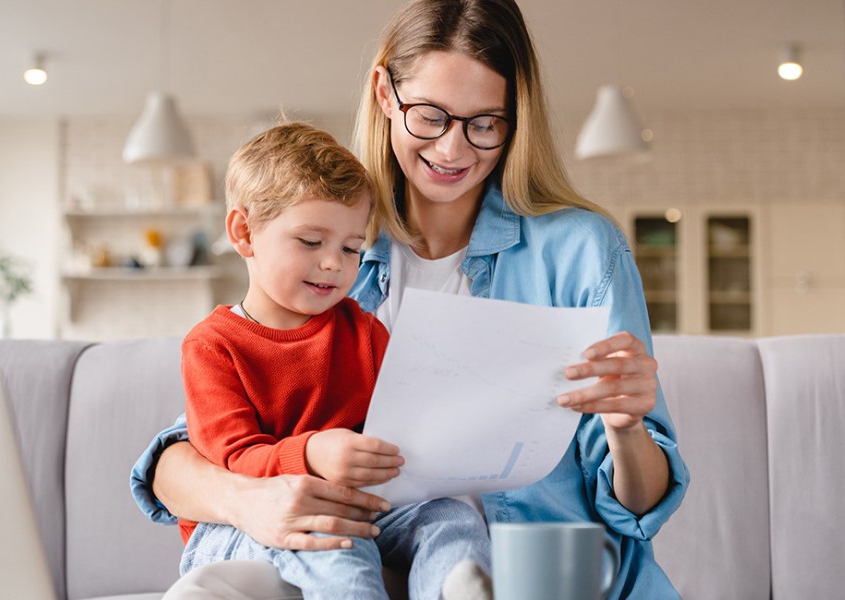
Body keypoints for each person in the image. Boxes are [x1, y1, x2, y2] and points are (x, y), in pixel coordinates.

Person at [130, 0, 690, 597]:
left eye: (484, 124)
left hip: (544, 577)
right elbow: (182, 460)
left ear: (514, 121)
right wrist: (254, 502)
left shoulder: (579, 250)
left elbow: (639, 506)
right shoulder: (337, 253)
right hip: (374, 563)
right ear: (383, 93)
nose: (453, 151)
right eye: (429, 115)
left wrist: (626, 427)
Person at [173, 121, 492, 600]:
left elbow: (405, 423)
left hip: (358, 506)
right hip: (239, 526)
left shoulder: (365, 331)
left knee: (452, 517)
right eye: (310, 242)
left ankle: (454, 586)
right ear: (244, 233)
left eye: (351, 248)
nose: (334, 264)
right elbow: (233, 460)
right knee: (337, 541)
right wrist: (312, 454)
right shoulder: (212, 345)